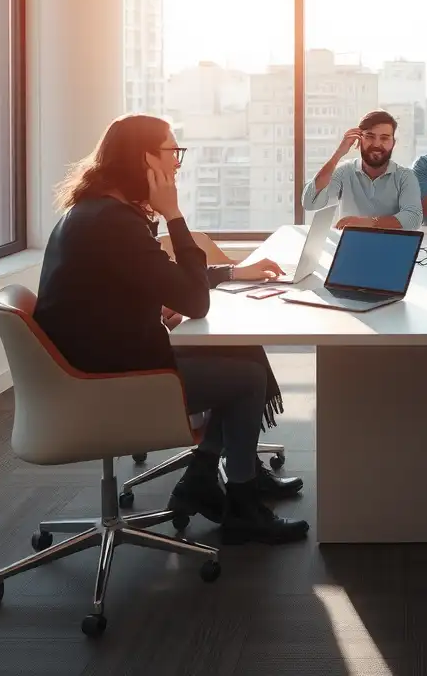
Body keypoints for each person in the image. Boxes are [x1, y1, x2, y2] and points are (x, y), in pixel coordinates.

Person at [33, 114, 309, 545]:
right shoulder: (114, 222)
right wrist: (175, 214)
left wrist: (231, 273)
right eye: (172, 152)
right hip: (112, 380)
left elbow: (162, 278)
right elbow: (193, 299)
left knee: (244, 350)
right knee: (246, 378)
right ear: (143, 159)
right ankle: (240, 505)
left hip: (102, 359)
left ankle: (211, 476)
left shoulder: (97, 211)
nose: (178, 164)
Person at [301, 110, 422, 230]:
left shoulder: (405, 176)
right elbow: (310, 202)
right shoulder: (344, 171)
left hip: (390, 245)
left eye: (384, 138)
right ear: (359, 140)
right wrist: (339, 153)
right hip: (350, 245)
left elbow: (413, 218)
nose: (376, 144)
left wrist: (366, 222)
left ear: (393, 143)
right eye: (370, 136)